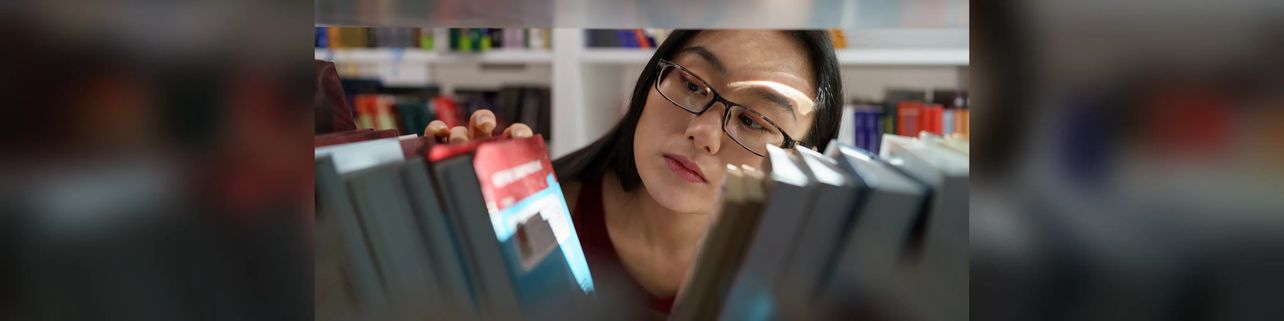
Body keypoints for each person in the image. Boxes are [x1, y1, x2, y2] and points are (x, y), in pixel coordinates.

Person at [424, 29, 843, 316]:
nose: (703, 133)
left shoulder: (801, 286)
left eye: (754, 121)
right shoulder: (539, 216)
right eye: (692, 84)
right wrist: (454, 232)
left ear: (804, 161)